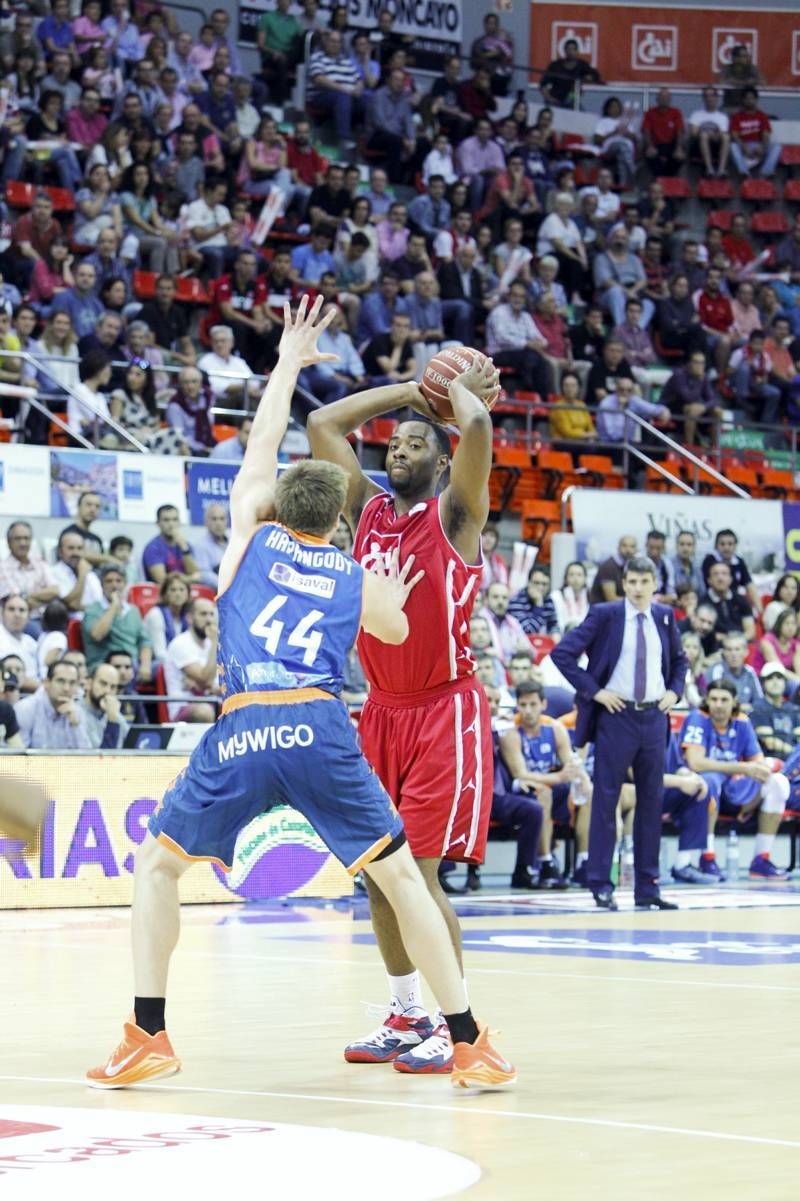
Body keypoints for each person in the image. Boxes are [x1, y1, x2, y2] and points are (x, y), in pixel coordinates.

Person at [88, 296, 514, 1093]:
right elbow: (386, 623)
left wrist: (292, 362)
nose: (404, 446)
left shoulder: (251, 535)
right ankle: (459, 1036)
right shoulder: (356, 566)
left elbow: (283, 433)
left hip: (264, 723)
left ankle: (148, 1029)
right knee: (392, 877)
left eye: (419, 438)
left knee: (158, 866)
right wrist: (443, 389)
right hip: (336, 721)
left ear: (279, 506)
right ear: (341, 513)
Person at [308, 342, 502, 1075]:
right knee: (377, 876)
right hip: (380, 710)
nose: (402, 447)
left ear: (442, 461)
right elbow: (325, 423)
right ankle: (405, 1012)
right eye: (397, 441)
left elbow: (477, 435)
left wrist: (457, 401)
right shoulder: (365, 513)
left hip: (444, 710)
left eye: (419, 441)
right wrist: (405, 394)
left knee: (417, 877)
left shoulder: (456, 513)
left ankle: (461, 1030)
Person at [552, 555, 687, 910]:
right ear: (624, 584)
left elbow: (681, 661)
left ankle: (648, 886)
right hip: (617, 717)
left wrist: (675, 691)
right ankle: (601, 883)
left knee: (651, 802)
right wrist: (595, 691)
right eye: (632, 582)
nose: (638, 589)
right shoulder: (606, 615)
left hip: (655, 717)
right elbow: (562, 654)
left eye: (644, 582)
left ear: (655, 584)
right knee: (606, 801)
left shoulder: (665, 615)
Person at [680, 679, 789, 880]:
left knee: (778, 783)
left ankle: (761, 860)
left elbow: (759, 766)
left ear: (734, 702)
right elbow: (695, 763)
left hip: (734, 790)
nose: (718, 705)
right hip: (699, 792)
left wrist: (752, 800)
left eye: (724, 699)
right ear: (707, 700)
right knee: (710, 780)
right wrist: (743, 768)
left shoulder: (742, 721)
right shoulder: (698, 718)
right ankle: (707, 857)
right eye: (713, 699)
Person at [498, 680, 581, 888]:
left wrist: (575, 778)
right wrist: (559, 777)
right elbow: (521, 774)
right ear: (517, 705)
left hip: (553, 787)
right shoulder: (510, 731)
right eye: (523, 705)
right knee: (543, 793)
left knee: (587, 794)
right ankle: (546, 863)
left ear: (543, 704)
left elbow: (571, 766)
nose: (527, 710)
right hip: (520, 790)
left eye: (533, 704)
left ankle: (585, 863)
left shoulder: (554, 728)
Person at [82, 563, 154, 677]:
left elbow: (145, 642)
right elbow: (97, 634)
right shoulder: (92, 610)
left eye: (118, 581)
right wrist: (114, 606)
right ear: (101, 585)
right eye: (109, 581)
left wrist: (145, 665)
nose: (114, 585)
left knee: (161, 667)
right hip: (103, 663)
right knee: (123, 669)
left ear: (125, 584)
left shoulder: (133, 611)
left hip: (132, 663)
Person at [163, 596, 220, 722]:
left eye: (211, 614)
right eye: (203, 614)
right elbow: (205, 679)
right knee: (204, 712)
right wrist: (215, 641)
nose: (209, 620)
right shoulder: (181, 643)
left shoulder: (211, 644)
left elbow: (224, 682)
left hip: (213, 702)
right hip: (184, 706)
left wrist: (214, 687)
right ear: (190, 618)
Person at [15, 658, 91, 750]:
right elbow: (18, 756)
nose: (66, 688)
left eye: (72, 683)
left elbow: (87, 758)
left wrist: (75, 725)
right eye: (61, 681)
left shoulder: (77, 712)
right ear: (46, 683)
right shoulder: (25, 709)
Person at [0, 521, 58, 625]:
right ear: (8, 543)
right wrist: (44, 599)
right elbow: (17, 602)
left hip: (49, 617)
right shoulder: (2, 567)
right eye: (18, 539)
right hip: (23, 621)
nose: (23, 543)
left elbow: (55, 591)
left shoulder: (40, 562)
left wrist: (26, 595)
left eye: (26, 538)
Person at [661, 350, 722, 446]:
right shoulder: (679, 375)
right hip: (669, 409)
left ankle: (715, 448)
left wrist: (704, 407)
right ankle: (689, 448)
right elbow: (687, 397)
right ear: (689, 363)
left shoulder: (703, 377)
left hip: (689, 409)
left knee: (717, 411)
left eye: (702, 363)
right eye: (696, 362)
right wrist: (699, 380)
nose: (700, 366)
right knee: (692, 409)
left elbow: (713, 400)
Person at [701, 529, 761, 614]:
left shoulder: (739, 561)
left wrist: (760, 611)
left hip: (734, 601)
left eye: (730, 544)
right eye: (722, 544)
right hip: (712, 601)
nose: (726, 547)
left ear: (735, 546)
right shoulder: (709, 561)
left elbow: (749, 584)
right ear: (716, 546)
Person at [142, 505, 200, 585]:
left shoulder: (186, 545)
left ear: (179, 522)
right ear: (158, 523)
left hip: (186, 592)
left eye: (175, 519)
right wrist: (188, 579)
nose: (171, 524)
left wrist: (184, 548)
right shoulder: (153, 547)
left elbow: (197, 576)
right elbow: (162, 580)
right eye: (166, 520)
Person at [729, 88, 781, 179]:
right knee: (732, 145)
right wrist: (743, 146)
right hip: (743, 146)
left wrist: (762, 146)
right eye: (747, 98)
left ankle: (766, 172)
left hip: (758, 145)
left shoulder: (762, 116)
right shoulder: (736, 116)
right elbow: (734, 135)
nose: (750, 101)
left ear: (756, 100)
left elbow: (766, 134)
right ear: (743, 100)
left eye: (752, 98)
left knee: (777, 146)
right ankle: (743, 172)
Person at [751, 664, 800, 758]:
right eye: (770, 678)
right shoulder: (758, 708)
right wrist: (795, 752)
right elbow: (769, 742)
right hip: (770, 759)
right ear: (763, 683)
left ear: (785, 682)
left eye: (779, 678)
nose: (775, 682)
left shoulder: (793, 708)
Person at [701, 561, 756, 643]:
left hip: (741, 644)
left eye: (724, 574)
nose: (720, 578)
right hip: (714, 647)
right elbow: (703, 632)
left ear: (730, 579)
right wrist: (728, 640)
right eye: (715, 574)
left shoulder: (741, 599)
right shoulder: (702, 602)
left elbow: (750, 632)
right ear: (709, 580)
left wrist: (735, 642)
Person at [52, 529, 103, 616]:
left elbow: (100, 605)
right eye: (71, 548)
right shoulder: (54, 572)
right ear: (60, 552)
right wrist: (82, 574)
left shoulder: (90, 574)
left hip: (93, 620)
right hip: (68, 623)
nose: (76, 553)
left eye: (79, 548)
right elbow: (73, 605)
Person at [540, 38, 601, 108]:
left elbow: (596, 75)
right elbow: (543, 84)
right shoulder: (555, 65)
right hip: (555, 101)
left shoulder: (582, 65)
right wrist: (549, 98)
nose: (571, 52)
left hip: (572, 100)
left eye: (573, 49)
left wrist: (589, 77)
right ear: (564, 51)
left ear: (577, 51)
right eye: (568, 49)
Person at [143, 573, 190, 662]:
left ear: (188, 594)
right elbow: (160, 653)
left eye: (182, 589)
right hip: (156, 663)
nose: (178, 594)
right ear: (165, 594)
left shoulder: (189, 616)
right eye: (173, 590)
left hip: (180, 663)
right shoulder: (156, 614)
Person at [707, 633, 762, 708]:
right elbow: (714, 703)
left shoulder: (749, 671)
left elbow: (760, 702)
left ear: (746, 652)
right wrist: (739, 707)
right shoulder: (716, 671)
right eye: (729, 649)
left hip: (746, 718)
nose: (733, 654)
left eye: (737, 649)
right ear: (723, 653)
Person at [82, 661, 128, 749]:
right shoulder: (77, 714)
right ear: (88, 684)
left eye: (113, 687)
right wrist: (112, 722)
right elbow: (102, 760)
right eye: (103, 684)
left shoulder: (113, 712)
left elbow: (133, 744)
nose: (107, 691)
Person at [641, 88, 685, 178]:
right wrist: (649, 146)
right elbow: (646, 130)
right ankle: (659, 181)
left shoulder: (676, 112)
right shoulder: (650, 113)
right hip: (655, 144)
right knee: (650, 156)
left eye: (666, 97)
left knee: (679, 157)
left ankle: (669, 181)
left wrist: (679, 148)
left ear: (670, 99)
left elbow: (680, 131)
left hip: (671, 145)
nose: (664, 99)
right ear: (657, 99)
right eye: (661, 97)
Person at [689, 86, 730, 178]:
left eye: (712, 96)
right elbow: (694, 133)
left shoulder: (722, 117)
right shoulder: (696, 115)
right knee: (703, 135)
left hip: (716, 145)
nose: (709, 98)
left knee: (726, 137)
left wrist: (713, 135)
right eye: (706, 96)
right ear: (703, 99)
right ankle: (709, 169)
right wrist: (710, 135)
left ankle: (721, 170)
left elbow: (723, 133)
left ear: (716, 98)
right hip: (698, 147)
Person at [508, 566, 560, 638]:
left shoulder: (548, 600)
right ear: (529, 583)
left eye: (544, 584)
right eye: (536, 583)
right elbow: (528, 632)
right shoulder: (516, 601)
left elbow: (553, 625)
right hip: (521, 645)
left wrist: (556, 634)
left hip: (543, 645)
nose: (540, 587)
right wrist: (538, 605)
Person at [589, 535, 637, 604]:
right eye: (624, 546)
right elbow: (611, 599)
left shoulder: (632, 566)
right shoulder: (608, 567)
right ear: (618, 547)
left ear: (636, 550)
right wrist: (637, 600)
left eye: (632, 546)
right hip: (601, 611)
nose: (628, 550)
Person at [193, 503, 229, 589]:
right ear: (206, 522)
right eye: (214, 519)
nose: (218, 523)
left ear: (227, 521)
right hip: (219, 591)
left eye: (222, 519)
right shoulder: (201, 546)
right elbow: (205, 574)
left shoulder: (234, 541)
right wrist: (227, 586)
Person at [670, 530, 704, 595]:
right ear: (676, 546)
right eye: (682, 544)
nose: (685, 548)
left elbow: (702, 592)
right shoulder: (669, 565)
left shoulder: (696, 567)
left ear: (694, 548)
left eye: (689, 545)